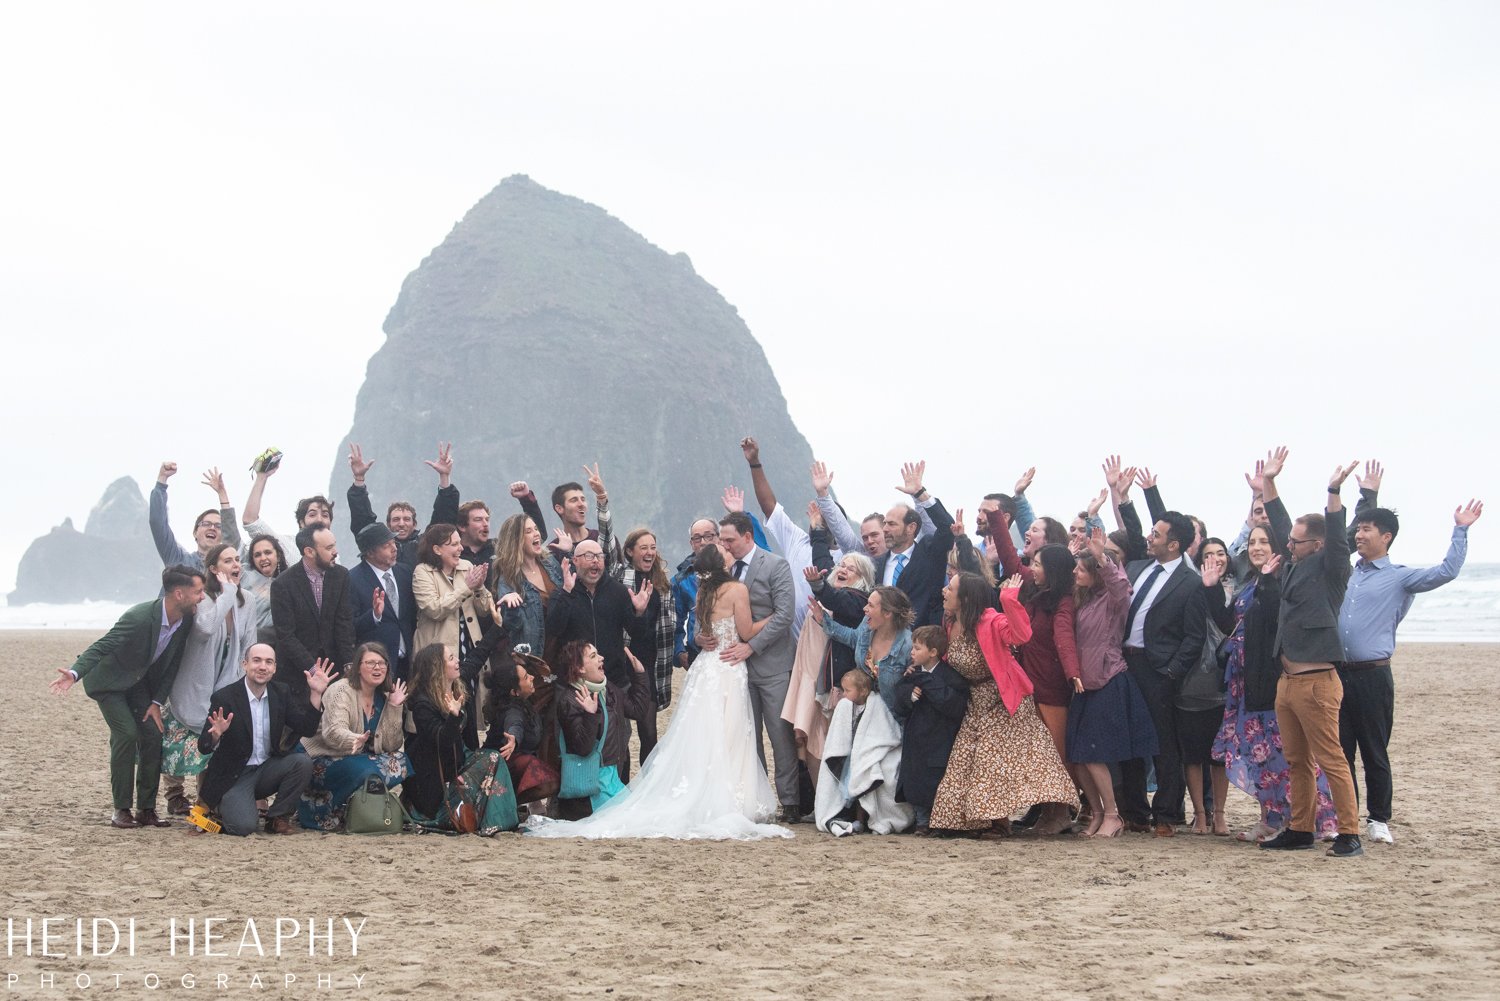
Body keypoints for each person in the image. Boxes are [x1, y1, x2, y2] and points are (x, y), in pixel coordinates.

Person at [527, 547, 791, 840]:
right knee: (730, 732)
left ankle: (706, 791)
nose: (729, 553)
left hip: (706, 668)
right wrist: (775, 617)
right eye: (725, 552)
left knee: (702, 733)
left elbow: (699, 631)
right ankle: (730, 798)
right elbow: (747, 630)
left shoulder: (703, 592)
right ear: (721, 564)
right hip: (728, 667)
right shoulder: (736, 589)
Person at [1337, 490, 1482, 845]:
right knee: (1341, 752)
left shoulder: (1400, 577)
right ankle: (1347, 818)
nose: (1358, 534)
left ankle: (1379, 819)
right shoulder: (1344, 575)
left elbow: (1447, 572)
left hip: (1373, 674)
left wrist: (1460, 530)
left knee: (1374, 749)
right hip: (1336, 674)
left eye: (1367, 529)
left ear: (1386, 536)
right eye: (1358, 529)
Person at [1205, 495, 1339, 844]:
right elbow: (1229, 624)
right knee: (1259, 757)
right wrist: (1209, 591)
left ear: (1278, 545)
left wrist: (1267, 579)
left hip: (1273, 679)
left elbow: (1272, 618)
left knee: (1287, 755)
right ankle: (1271, 818)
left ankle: (1320, 820)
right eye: (1252, 542)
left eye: (1264, 541)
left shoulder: (1283, 579)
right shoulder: (1250, 582)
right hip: (1243, 681)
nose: (1256, 547)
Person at [1257, 450, 1364, 858]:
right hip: (1288, 682)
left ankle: (1349, 832)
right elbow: (1282, 523)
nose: (1288, 544)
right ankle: (1301, 828)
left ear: (1316, 544)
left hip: (1318, 682)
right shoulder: (1295, 564)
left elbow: (1338, 536)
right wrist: (1269, 482)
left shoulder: (1333, 567)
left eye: (1297, 541)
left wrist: (1334, 491)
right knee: (1297, 761)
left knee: (1331, 759)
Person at [49, 565, 204, 829]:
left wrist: (156, 702)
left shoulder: (186, 619)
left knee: (153, 735)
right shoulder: (140, 617)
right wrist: (74, 674)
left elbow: (173, 664)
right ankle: (121, 809)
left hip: (138, 685)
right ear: (179, 594)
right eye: (198, 591)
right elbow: (103, 645)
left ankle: (146, 810)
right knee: (126, 735)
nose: (202, 597)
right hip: (109, 682)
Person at [929, 573, 1078, 836]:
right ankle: (972, 820)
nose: (944, 591)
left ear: (965, 598)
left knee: (996, 760)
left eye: (949, 588)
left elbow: (1021, 635)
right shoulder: (950, 622)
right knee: (964, 759)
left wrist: (1009, 599)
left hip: (1005, 699)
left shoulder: (991, 620)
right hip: (975, 702)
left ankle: (1016, 820)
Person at [704, 511, 802, 821]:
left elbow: (784, 615)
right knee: (746, 736)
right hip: (734, 670)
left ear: (748, 536)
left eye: (730, 540)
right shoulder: (723, 573)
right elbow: (709, 614)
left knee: (780, 735)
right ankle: (753, 798)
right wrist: (701, 638)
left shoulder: (776, 565)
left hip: (773, 666)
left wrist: (751, 646)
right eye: (723, 541)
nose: (726, 545)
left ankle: (791, 802)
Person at [1117, 510, 1207, 837]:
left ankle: (1166, 814)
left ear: (1174, 544)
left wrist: (1171, 671)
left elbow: (1194, 637)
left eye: (1156, 534)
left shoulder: (1190, 582)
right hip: (1123, 663)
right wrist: (1125, 501)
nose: (1149, 538)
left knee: (1164, 744)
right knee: (1129, 741)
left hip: (1158, 669)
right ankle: (1135, 813)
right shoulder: (1136, 568)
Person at [1067, 530, 1158, 839]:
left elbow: (1120, 586)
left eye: (1081, 569)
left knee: (1094, 754)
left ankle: (1113, 815)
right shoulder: (1085, 598)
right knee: (1078, 756)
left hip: (1108, 679)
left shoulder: (1112, 599)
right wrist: (1074, 553)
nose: (1076, 573)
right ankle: (1095, 812)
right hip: (1083, 684)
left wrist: (1102, 558)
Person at [993, 529, 1083, 836]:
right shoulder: (1037, 594)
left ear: (1054, 571)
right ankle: (1047, 812)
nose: (1033, 570)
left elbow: (1064, 636)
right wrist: (996, 518)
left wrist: (1072, 672)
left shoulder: (1064, 601)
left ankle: (1061, 813)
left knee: (1056, 753)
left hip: (1052, 685)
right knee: (1039, 754)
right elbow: (1011, 563)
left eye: (1040, 565)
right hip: (1030, 682)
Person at [160, 543, 259, 815]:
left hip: (228, 678)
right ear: (214, 569)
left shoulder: (247, 599)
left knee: (215, 740)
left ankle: (205, 802)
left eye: (238, 559)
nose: (236, 565)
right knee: (179, 738)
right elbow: (205, 628)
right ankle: (175, 795)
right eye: (228, 561)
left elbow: (250, 640)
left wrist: (244, 678)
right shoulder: (203, 597)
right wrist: (226, 592)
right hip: (194, 679)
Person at [196, 645, 332, 836]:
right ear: (245, 664)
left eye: (269, 662)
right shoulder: (225, 697)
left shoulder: (280, 692)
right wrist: (216, 735)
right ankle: (218, 805)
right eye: (257, 660)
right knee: (244, 828)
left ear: (275, 668)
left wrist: (316, 693)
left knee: (301, 762)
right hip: (235, 775)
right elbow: (203, 747)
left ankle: (277, 817)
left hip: (266, 769)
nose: (262, 667)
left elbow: (307, 728)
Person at [544, 538, 653, 772]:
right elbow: (553, 628)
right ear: (575, 560)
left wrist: (640, 612)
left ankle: (620, 793)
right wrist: (566, 593)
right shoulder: (564, 592)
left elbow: (637, 634)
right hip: (575, 684)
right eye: (588, 557)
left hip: (613, 680)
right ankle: (579, 798)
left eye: (599, 557)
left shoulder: (616, 591)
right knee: (579, 744)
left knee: (619, 745)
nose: (595, 562)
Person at [403, 643, 518, 834]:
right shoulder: (423, 703)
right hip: (435, 776)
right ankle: (487, 823)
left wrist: (496, 629)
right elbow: (442, 741)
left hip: (459, 759)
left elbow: (476, 658)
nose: (457, 661)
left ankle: (499, 822)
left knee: (494, 757)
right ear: (437, 667)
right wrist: (453, 717)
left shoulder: (458, 689)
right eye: (450, 658)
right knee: (492, 759)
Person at [297, 642, 410, 831]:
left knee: (402, 761)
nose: (377, 668)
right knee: (366, 771)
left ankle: (358, 805)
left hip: (359, 757)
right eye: (371, 663)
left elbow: (392, 745)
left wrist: (394, 707)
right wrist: (353, 739)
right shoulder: (341, 691)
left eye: (382, 663)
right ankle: (327, 809)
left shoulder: (384, 696)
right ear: (358, 667)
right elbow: (332, 732)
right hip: (323, 757)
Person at [411, 523, 498, 747]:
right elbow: (434, 608)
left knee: (469, 699)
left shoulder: (466, 566)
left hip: (468, 647)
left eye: (460, 543)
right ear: (437, 549)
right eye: (454, 544)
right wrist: (467, 588)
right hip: (437, 654)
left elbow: (485, 607)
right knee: (439, 705)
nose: (460, 548)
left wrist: (479, 588)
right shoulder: (422, 572)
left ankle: (470, 751)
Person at [891, 625, 970, 836]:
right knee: (915, 779)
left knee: (935, 779)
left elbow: (952, 704)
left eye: (917, 648)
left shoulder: (950, 676)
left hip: (939, 738)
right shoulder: (912, 674)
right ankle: (922, 821)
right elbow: (898, 700)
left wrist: (924, 680)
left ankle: (937, 820)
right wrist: (910, 694)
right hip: (916, 738)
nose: (912, 652)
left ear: (933, 652)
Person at [814, 669, 912, 836]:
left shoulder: (877, 705)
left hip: (869, 754)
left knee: (872, 774)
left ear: (863, 691)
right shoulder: (845, 706)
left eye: (848, 691)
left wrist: (869, 752)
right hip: (850, 756)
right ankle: (853, 816)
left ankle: (868, 818)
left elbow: (885, 733)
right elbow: (837, 735)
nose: (844, 695)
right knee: (849, 781)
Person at [610, 527, 676, 763]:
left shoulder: (661, 582)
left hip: (650, 663)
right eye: (643, 548)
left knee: (649, 732)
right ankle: (624, 784)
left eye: (653, 547)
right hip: (623, 661)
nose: (650, 553)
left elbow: (670, 623)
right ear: (629, 551)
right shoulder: (619, 577)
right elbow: (607, 543)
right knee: (620, 731)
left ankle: (649, 784)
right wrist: (602, 501)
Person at [1178, 538, 1231, 836]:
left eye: (1220, 553)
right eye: (1208, 554)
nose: (1215, 559)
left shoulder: (1239, 590)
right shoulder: (1191, 588)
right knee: (1193, 754)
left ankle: (1219, 815)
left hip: (1224, 683)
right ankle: (1200, 813)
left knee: (1219, 755)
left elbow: (1227, 625)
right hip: (1191, 681)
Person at [269, 522, 355, 698]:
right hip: (297, 673)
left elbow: (344, 622)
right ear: (309, 551)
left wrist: (348, 661)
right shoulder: (282, 584)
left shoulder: (341, 575)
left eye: (334, 545)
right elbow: (285, 635)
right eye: (329, 547)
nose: (335, 552)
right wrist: (313, 668)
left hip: (335, 670)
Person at [346, 441, 461, 568]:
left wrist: (444, 476)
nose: (401, 524)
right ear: (388, 524)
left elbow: (444, 520)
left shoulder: (425, 545)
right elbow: (362, 522)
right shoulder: (377, 546)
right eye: (396, 519)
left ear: (414, 524)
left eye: (407, 519)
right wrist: (359, 478)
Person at [872, 462, 956, 628]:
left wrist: (920, 494)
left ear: (911, 528)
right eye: (885, 524)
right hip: (883, 644)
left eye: (892, 524)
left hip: (920, 645)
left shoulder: (930, 553)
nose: (885, 529)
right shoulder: (878, 564)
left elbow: (947, 528)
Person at [811, 585, 913, 718]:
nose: (864, 609)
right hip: (863, 714)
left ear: (888, 613)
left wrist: (914, 674)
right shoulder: (867, 624)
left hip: (893, 721)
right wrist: (824, 621)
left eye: (870, 605)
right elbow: (853, 638)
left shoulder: (909, 646)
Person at [483, 660, 556, 807]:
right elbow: (514, 723)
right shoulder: (512, 710)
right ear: (514, 692)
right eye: (526, 677)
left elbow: (549, 679)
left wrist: (528, 661)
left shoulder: (523, 700)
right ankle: (509, 803)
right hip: (498, 767)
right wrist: (513, 739)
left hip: (508, 766)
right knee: (546, 778)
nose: (532, 677)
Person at [491, 511, 564, 658]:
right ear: (516, 539)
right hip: (535, 656)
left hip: (564, 650)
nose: (536, 534)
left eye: (536, 529)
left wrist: (568, 552)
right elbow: (513, 625)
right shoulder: (508, 578)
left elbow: (572, 594)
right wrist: (511, 607)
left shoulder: (549, 563)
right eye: (528, 531)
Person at [349, 523, 417, 680]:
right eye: (387, 545)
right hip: (377, 667)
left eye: (394, 543)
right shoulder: (353, 580)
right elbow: (350, 628)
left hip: (409, 664)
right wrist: (374, 615)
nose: (394, 549)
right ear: (371, 552)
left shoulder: (405, 572)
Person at [514, 465, 618, 566]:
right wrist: (526, 498)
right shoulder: (554, 550)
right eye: (574, 500)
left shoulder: (600, 539)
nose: (581, 504)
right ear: (559, 508)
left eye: (583, 499)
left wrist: (601, 495)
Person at [148, 463, 242, 571]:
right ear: (195, 532)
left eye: (218, 526)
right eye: (206, 524)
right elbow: (157, 523)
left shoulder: (227, 569)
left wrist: (222, 494)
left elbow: (232, 537)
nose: (212, 528)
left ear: (222, 536)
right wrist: (162, 479)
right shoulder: (178, 560)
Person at [240, 460, 335, 565]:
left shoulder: (336, 556)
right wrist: (261, 477)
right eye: (312, 514)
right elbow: (250, 521)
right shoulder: (288, 546)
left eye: (325, 515)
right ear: (301, 523)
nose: (319, 519)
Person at [669, 518, 721, 670]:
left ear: (718, 538)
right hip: (697, 652)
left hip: (731, 651)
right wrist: (679, 651)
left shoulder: (734, 569)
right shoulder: (680, 580)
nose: (703, 542)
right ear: (691, 543)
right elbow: (676, 621)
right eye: (697, 538)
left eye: (708, 536)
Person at [239, 534, 286, 646]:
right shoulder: (244, 576)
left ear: (278, 556)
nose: (263, 558)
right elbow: (230, 536)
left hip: (275, 647)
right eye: (257, 555)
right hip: (242, 643)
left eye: (268, 552)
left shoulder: (289, 583)